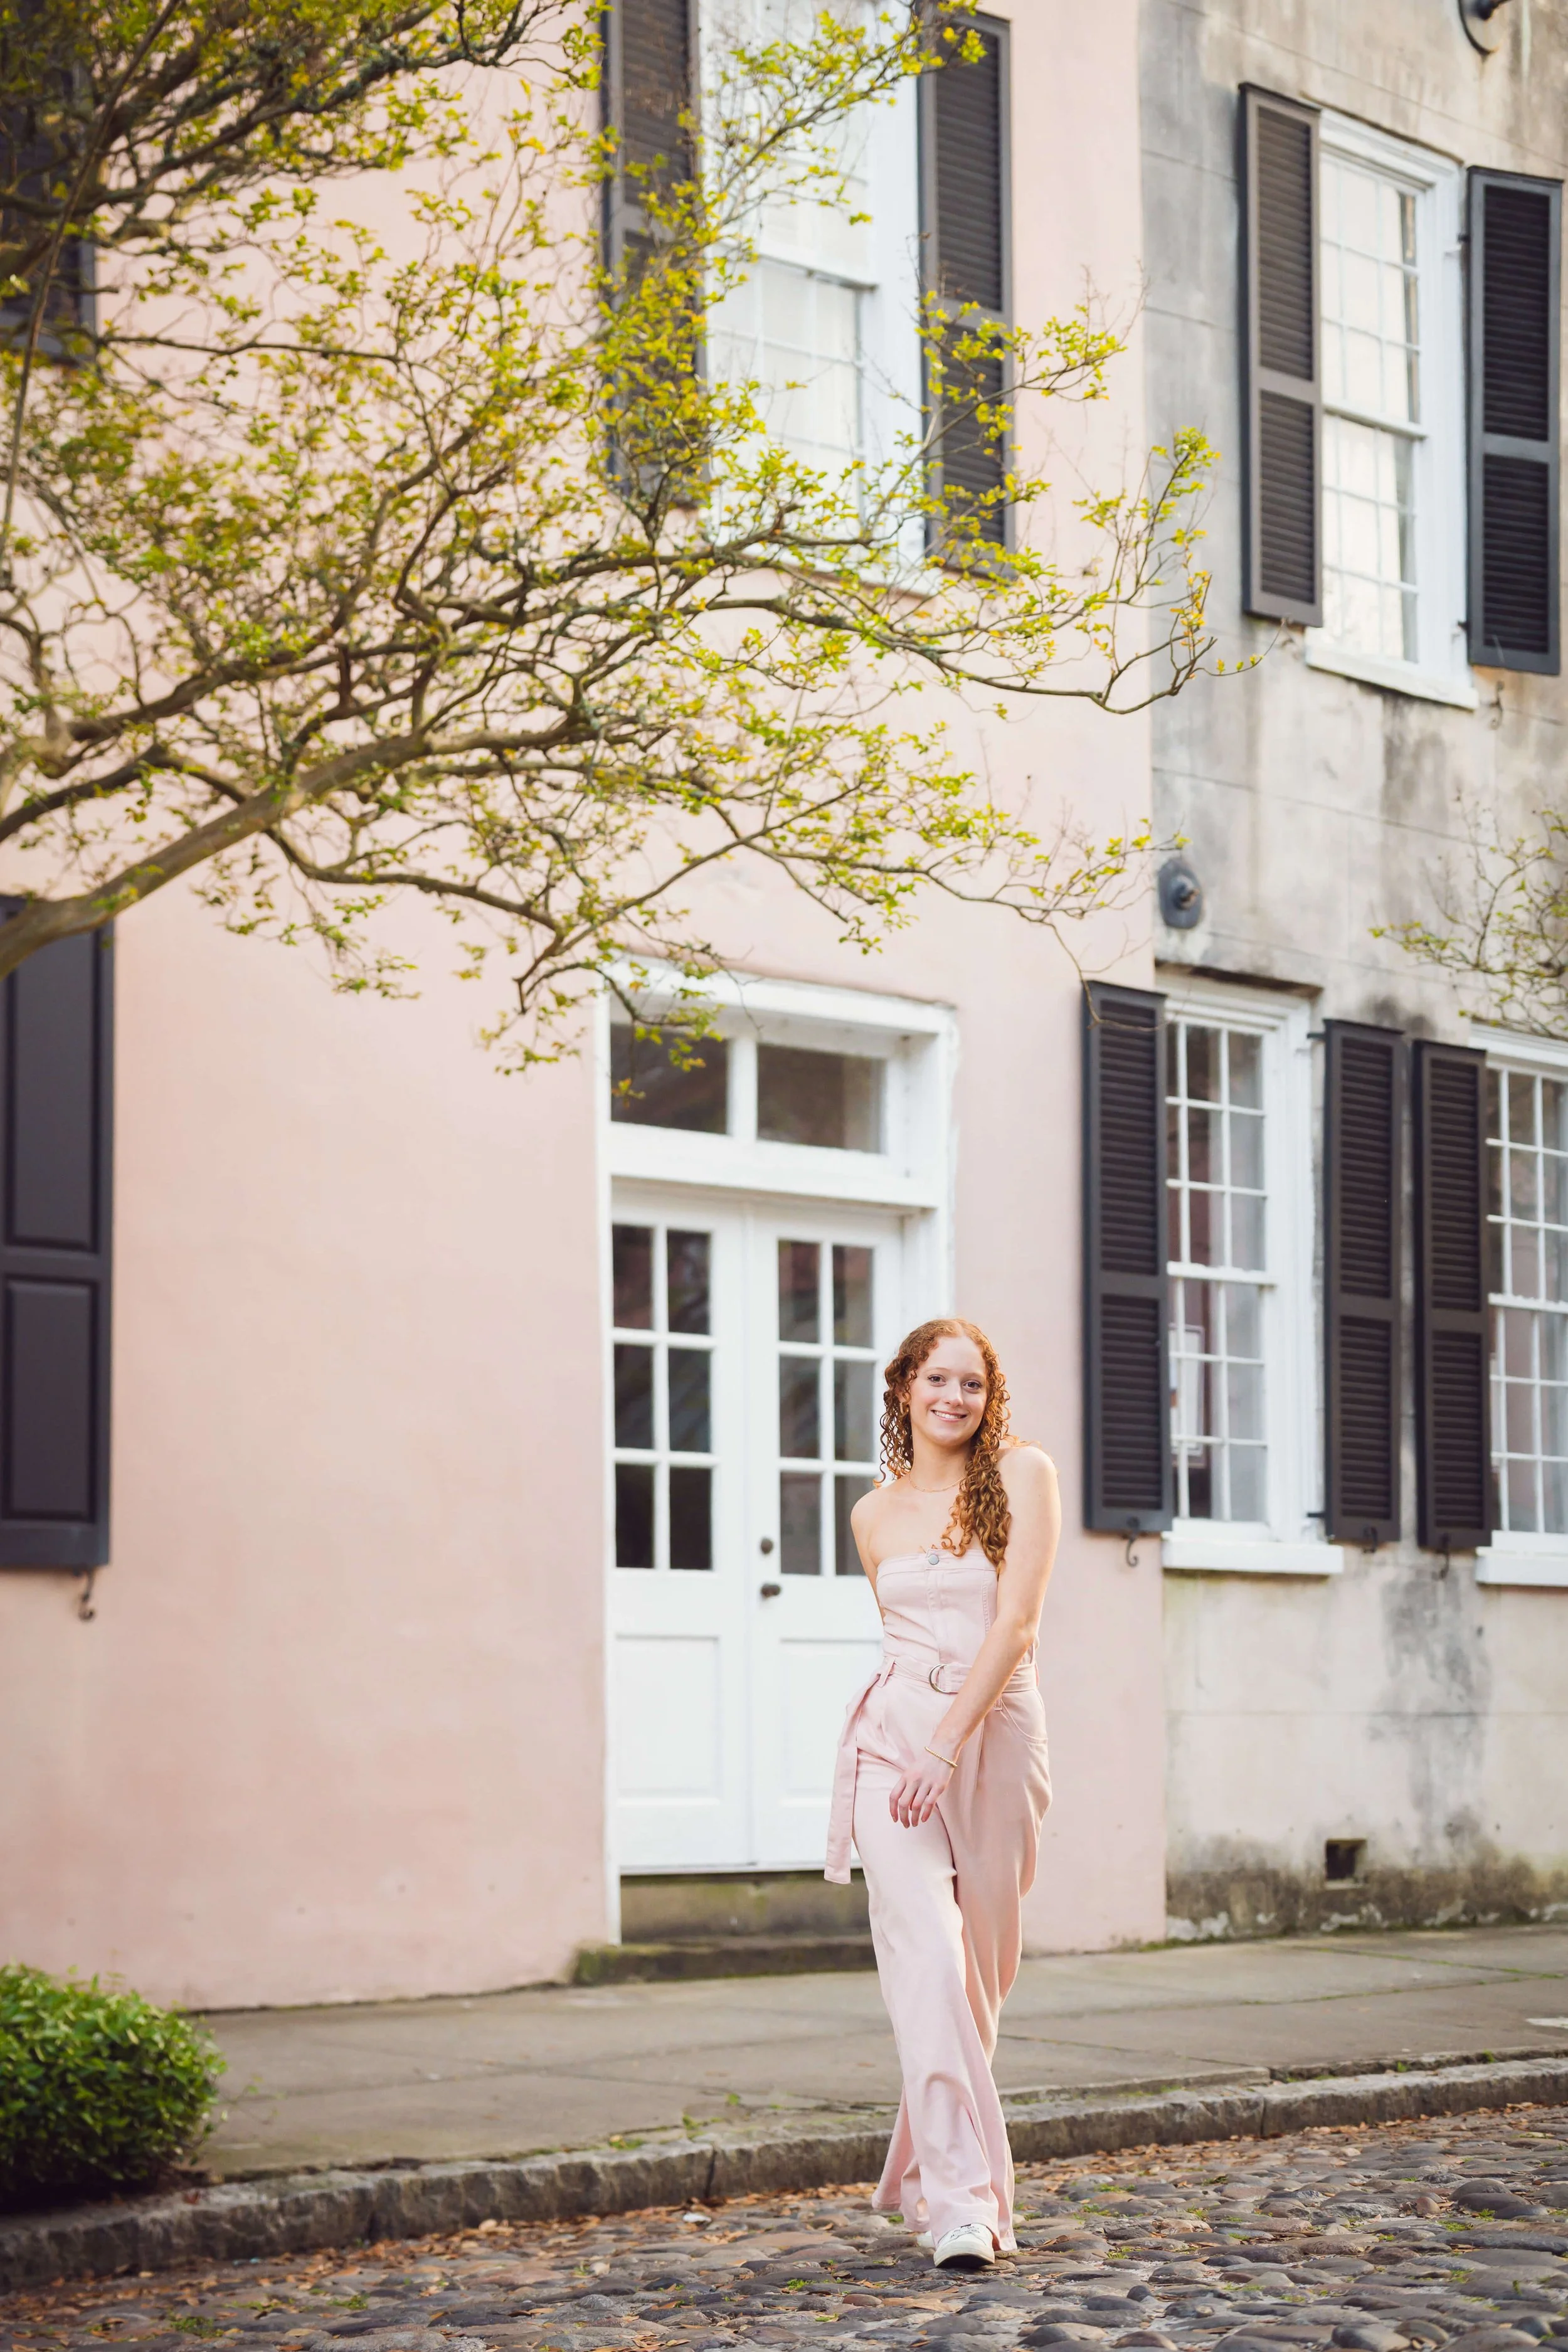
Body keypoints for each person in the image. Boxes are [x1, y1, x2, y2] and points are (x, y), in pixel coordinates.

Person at [825, 1318, 1058, 2272]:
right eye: (937, 1379)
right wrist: (914, 1743)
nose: (954, 1398)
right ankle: (962, 2202)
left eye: (972, 1382)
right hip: (891, 1752)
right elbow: (901, 1642)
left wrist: (949, 1743)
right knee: (925, 1955)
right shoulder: (870, 1514)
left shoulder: (1021, 1474)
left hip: (995, 1738)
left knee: (976, 1981)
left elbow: (1017, 1623)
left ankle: (922, 2164)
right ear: (904, 1389)